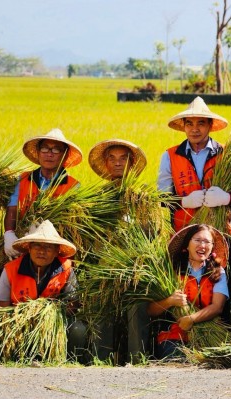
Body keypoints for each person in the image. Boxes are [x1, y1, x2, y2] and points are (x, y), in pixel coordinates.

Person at [88, 138, 149, 362]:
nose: (117, 163)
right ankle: (99, 360)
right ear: (105, 163)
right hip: (105, 268)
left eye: (123, 158)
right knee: (99, 304)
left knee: (137, 307)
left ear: (131, 163)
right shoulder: (96, 197)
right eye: (112, 158)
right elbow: (90, 234)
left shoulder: (142, 197)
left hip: (134, 269)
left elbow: (151, 234)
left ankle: (138, 360)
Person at [0, 220, 86, 358]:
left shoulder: (66, 268)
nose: (42, 251)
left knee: (78, 329)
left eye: (48, 247)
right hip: (19, 322)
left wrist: (50, 315)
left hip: (54, 322)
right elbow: (2, 306)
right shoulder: (11, 269)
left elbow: (73, 302)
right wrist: (24, 319)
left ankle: (71, 361)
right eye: (37, 245)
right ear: (29, 248)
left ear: (56, 252)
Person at [157, 96, 231, 233]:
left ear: (210, 125)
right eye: (189, 124)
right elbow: (163, 199)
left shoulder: (227, 154)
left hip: (220, 231)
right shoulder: (170, 156)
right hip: (183, 233)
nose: (194, 129)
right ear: (183, 126)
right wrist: (185, 201)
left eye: (201, 123)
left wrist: (226, 198)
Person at [147, 224, 228, 359]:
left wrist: (191, 319)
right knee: (178, 360)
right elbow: (150, 310)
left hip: (208, 333)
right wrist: (170, 301)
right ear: (187, 245)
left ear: (212, 247)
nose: (202, 245)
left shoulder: (218, 272)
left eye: (207, 242)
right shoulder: (172, 271)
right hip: (174, 335)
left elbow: (217, 307)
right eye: (197, 240)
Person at [3, 128, 82, 258]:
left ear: (65, 155)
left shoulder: (73, 186)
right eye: (45, 148)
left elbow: (72, 224)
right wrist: (9, 234)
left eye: (56, 150)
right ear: (38, 152)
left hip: (55, 248)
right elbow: (12, 209)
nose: (49, 154)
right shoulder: (22, 179)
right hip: (22, 244)